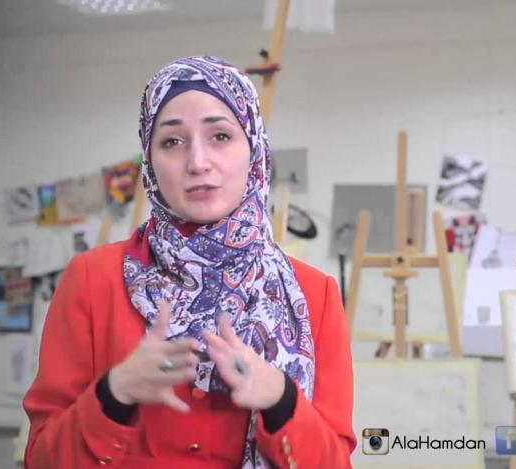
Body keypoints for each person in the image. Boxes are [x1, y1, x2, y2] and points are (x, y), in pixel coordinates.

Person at [23, 56, 356, 469]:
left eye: (220, 136)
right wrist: (114, 393)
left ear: (254, 150)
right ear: (150, 161)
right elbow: (41, 459)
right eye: (172, 142)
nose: (198, 162)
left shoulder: (314, 294)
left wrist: (281, 398)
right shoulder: (93, 280)